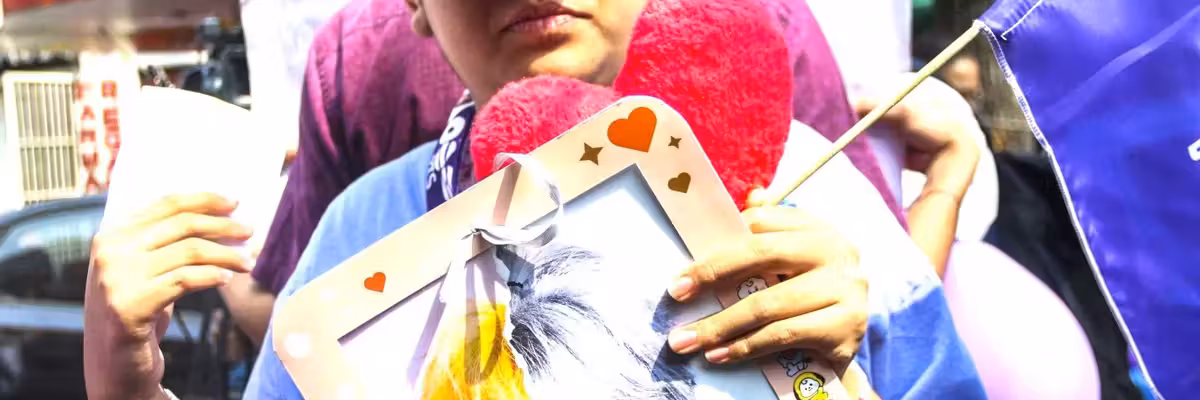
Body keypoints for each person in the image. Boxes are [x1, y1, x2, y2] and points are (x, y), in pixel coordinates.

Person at [83, 0, 986, 399]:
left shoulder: (814, 191)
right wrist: (126, 387)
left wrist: (847, 375)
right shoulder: (362, 229)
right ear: (414, 3)